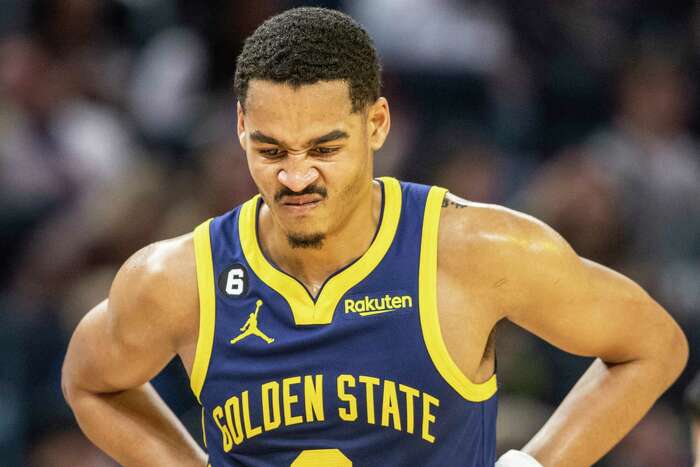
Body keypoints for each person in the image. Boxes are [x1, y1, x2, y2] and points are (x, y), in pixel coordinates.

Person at [61, 7, 688, 467]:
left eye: (325, 148)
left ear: (377, 124)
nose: (296, 175)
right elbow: (90, 381)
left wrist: (533, 464)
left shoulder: (471, 250)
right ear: (240, 129)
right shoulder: (178, 279)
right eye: (271, 149)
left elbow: (653, 345)